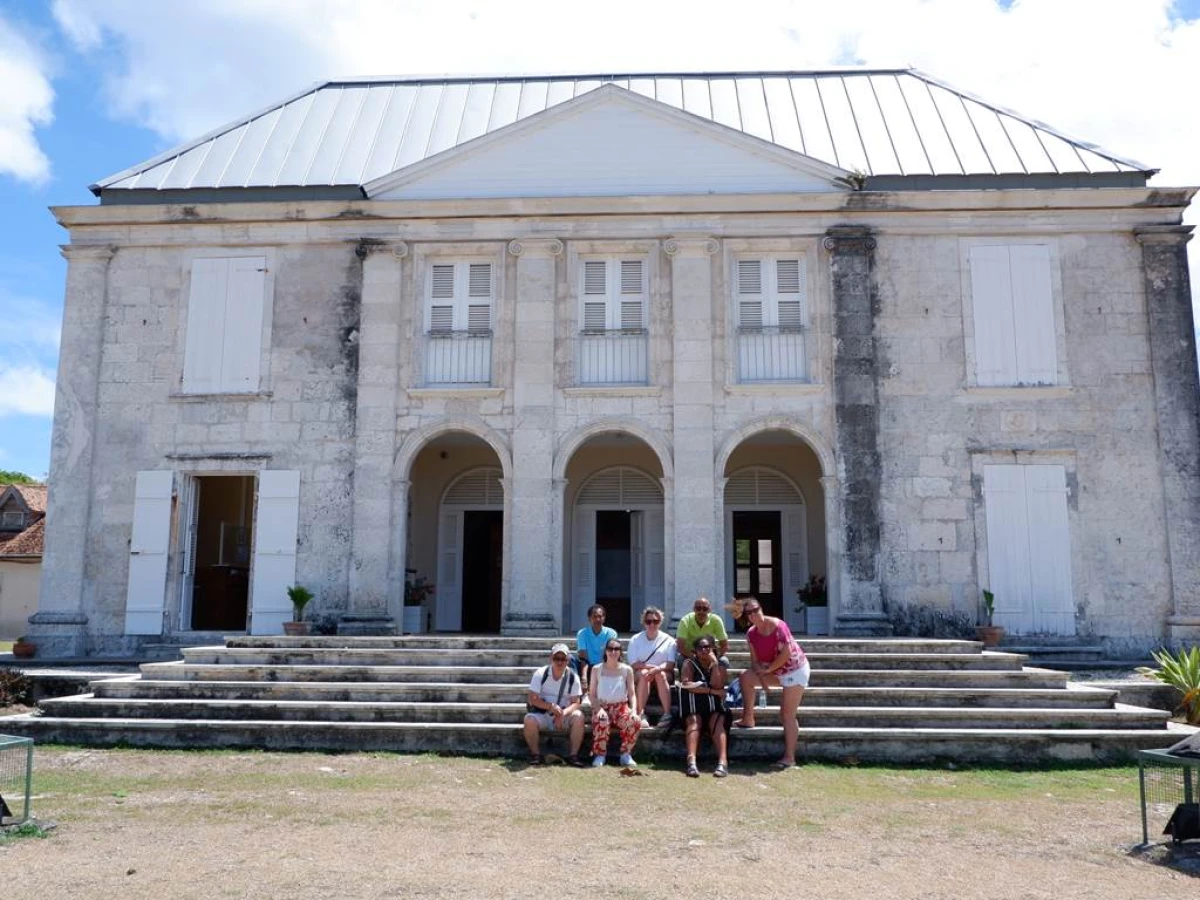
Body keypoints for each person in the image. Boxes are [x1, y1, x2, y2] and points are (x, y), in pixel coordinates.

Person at [731, 598, 810, 769]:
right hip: (773, 671)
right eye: (748, 613)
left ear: (761, 608)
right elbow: (754, 661)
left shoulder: (778, 625)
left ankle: (790, 758)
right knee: (745, 676)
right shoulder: (751, 634)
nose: (752, 615)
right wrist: (759, 671)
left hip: (794, 670)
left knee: (786, 714)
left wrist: (767, 670)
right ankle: (748, 718)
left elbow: (787, 653)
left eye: (755, 610)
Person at [523, 643, 586, 767]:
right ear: (551, 658)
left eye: (563, 659)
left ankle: (573, 755)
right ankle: (535, 754)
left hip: (564, 713)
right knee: (529, 719)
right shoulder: (541, 673)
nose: (560, 662)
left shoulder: (573, 676)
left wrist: (562, 714)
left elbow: (576, 702)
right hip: (544, 714)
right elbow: (532, 698)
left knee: (579, 716)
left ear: (567, 660)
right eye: (557, 658)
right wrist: (550, 707)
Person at [679, 637, 729, 778]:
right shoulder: (689, 663)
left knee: (717, 721)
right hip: (693, 703)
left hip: (714, 706)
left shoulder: (720, 663)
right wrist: (711, 691)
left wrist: (714, 664)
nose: (704, 650)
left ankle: (723, 762)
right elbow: (687, 685)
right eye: (700, 647)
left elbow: (717, 684)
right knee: (694, 720)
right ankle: (691, 762)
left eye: (707, 647)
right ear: (695, 650)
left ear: (713, 648)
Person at [589, 638, 642, 768]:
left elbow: (632, 693)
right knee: (601, 720)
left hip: (621, 708)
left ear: (620, 652)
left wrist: (634, 710)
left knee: (635, 721)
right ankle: (600, 754)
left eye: (616, 649)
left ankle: (625, 754)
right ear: (606, 651)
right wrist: (599, 709)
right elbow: (592, 694)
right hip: (602, 706)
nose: (613, 651)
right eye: (610, 649)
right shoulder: (597, 669)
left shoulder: (627, 669)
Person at [627, 606, 677, 728]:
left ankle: (667, 714)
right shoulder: (635, 639)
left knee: (661, 674)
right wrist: (652, 668)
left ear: (660, 622)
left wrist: (657, 669)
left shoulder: (669, 640)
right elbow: (634, 664)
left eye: (655, 621)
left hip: (663, 672)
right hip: (641, 672)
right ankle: (641, 713)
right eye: (649, 621)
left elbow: (670, 664)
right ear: (644, 622)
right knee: (644, 673)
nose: (652, 624)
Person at [675, 596, 730, 669]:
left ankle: (718, 680)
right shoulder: (685, 621)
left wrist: (714, 657)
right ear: (694, 609)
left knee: (723, 661)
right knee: (681, 661)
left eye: (705, 609)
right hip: (690, 653)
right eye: (698, 608)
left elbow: (725, 645)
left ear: (709, 610)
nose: (701, 611)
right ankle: (686, 680)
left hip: (709, 653)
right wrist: (696, 658)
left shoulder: (716, 620)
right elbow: (680, 646)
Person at [575, 604, 617, 687]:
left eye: (600, 616)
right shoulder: (582, 634)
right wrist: (584, 677)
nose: (597, 619)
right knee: (569, 660)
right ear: (589, 618)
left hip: (604, 666)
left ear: (604, 618)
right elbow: (583, 658)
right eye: (594, 616)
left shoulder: (611, 633)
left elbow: (609, 656)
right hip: (587, 666)